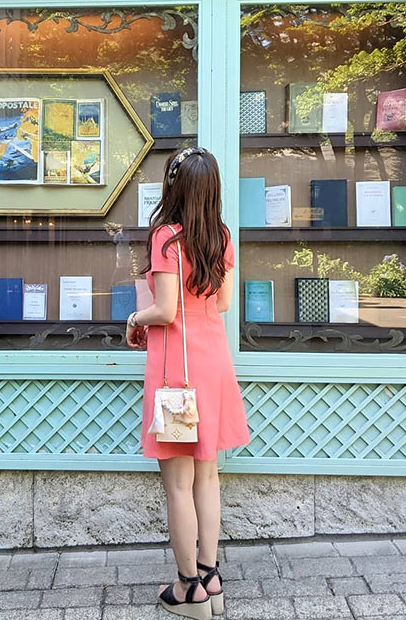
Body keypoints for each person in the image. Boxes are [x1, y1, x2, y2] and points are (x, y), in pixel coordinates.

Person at [126, 147, 251, 620]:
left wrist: (133, 319)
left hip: (177, 372)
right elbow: (222, 304)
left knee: (178, 484)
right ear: (212, 189)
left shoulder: (166, 237)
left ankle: (187, 589)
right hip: (213, 362)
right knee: (208, 475)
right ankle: (210, 576)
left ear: (173, 187)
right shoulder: (221, 236)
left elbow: (165, 311)